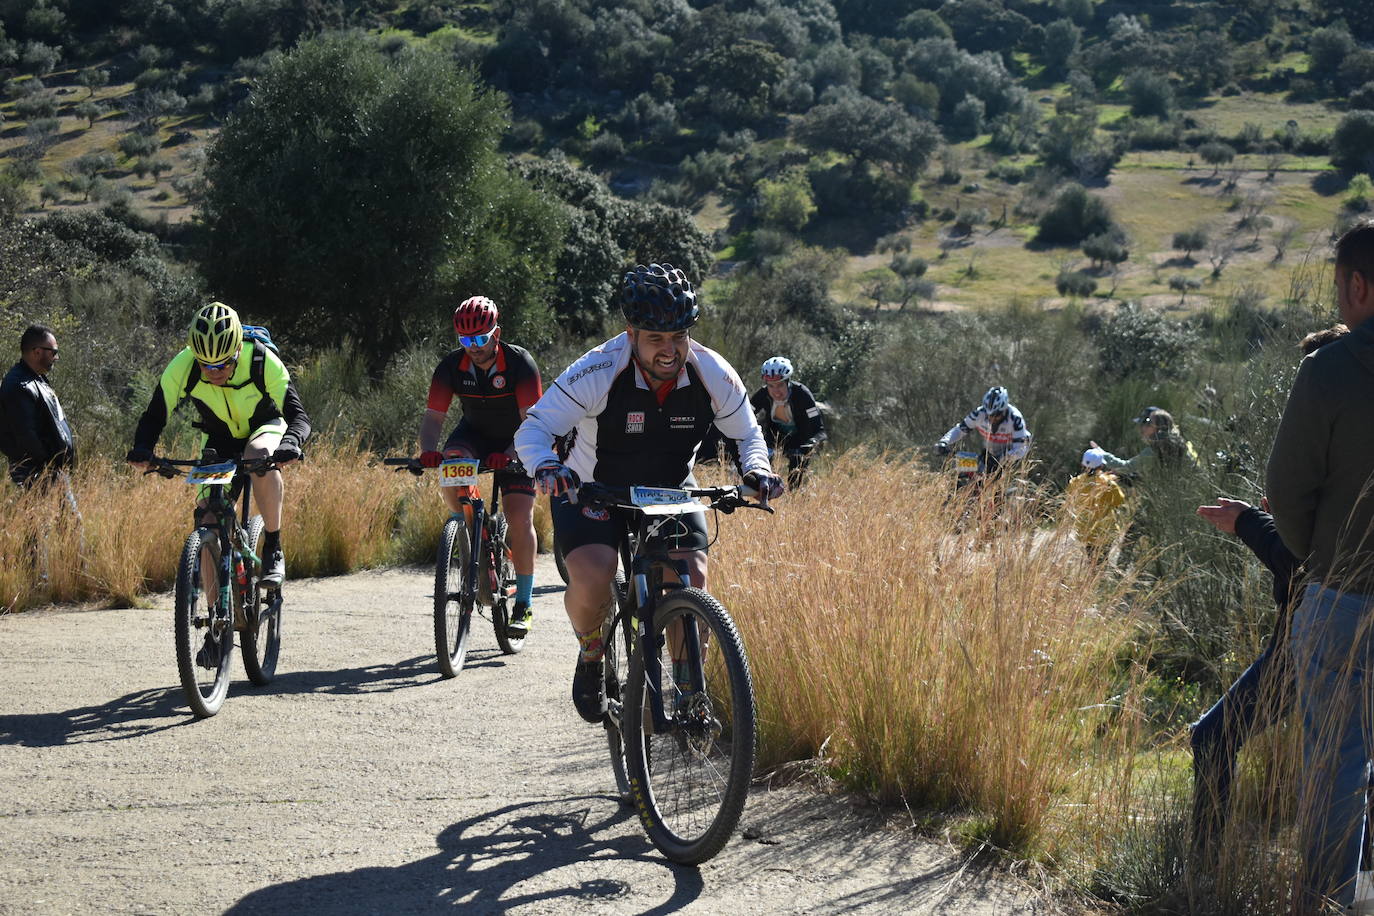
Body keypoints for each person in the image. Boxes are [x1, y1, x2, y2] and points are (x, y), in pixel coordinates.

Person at [514, 263, 782, 723]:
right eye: (655, 339)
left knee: (692, 582)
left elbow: (748, 436)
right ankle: (592, 653)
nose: (669, 350)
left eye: (678, 337)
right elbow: (535, 428)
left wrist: (757, 470)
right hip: (591, 488)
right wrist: (546, 465)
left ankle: (688, 692)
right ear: (631, 333)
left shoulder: (712, 372)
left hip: (670, 489)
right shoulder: (598, 369)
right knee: (595, 575)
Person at [1266, 219, 1374, 912]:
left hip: (1343, 600)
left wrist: (1320, 558)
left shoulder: (1330, 370)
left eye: (1340, 290)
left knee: (1336, 769)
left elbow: (1287, 491)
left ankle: (1332, 907)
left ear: (1359, 286)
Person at [127, 302, 310, 594]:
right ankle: (215, 628)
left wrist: (290, 444)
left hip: (265, 427)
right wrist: (143, 449)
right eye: (205, 364)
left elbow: (298, 417)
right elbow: (154, 415)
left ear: (237, 349)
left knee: (259, 454)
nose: (214, 371)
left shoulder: (262, 360)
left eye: (223, 363)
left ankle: (273, 547)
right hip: (219, 439)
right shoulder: (184, 365)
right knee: (208, 518)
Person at [419, 295, 543, 638]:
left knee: (519, 517)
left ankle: (524, 604)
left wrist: (510, 452)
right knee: (452, 465)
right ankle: (474, 528)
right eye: (464, 340)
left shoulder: (520, 364)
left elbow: (532, 423)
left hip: (519, 438)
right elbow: (433, 417)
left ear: (496, 333)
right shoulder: (450, 367)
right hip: (473, 435)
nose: (472, 347)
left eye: (479, 339)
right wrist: (429, 450)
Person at [1, 325, 76, 489]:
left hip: (51, 474)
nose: (56, 357)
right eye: (53, 352)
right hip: (36, 475)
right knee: (53, 515)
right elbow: (26, 435)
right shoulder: (18, 385)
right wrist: (48, 465)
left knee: (65, 516)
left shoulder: (36, 380)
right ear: (37, 352)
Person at [751, 356, 827, 487]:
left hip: (800, 440)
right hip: (775, 438)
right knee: (764, 468)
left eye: (780, 385)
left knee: (796, 469)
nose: (776, 391)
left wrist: (811, 443)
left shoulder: (802, 395)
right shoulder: (762, 394)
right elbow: (746, 414)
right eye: (771, 386)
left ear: (787, 382)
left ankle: (796, 496)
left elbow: (819, 429)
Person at [934, 385, 1031, 474]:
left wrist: (1001, 459)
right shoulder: (979, 413)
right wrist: (944, 442)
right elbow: (960, 430)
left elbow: (1020, 449)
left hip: (1013, 457)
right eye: (989, 415)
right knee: (957, 466)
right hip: (989, 455)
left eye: (996, 415)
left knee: (993, 482)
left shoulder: (1015, 418)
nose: (992, 418)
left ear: (1004, 410)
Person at [1089, 407, 1198, 479]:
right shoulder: (1181, 444)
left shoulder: (1152, 452)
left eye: (1148, 422)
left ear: (1159, 429)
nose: (1144, 426)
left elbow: (1125, 467)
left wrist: (1101, 453)